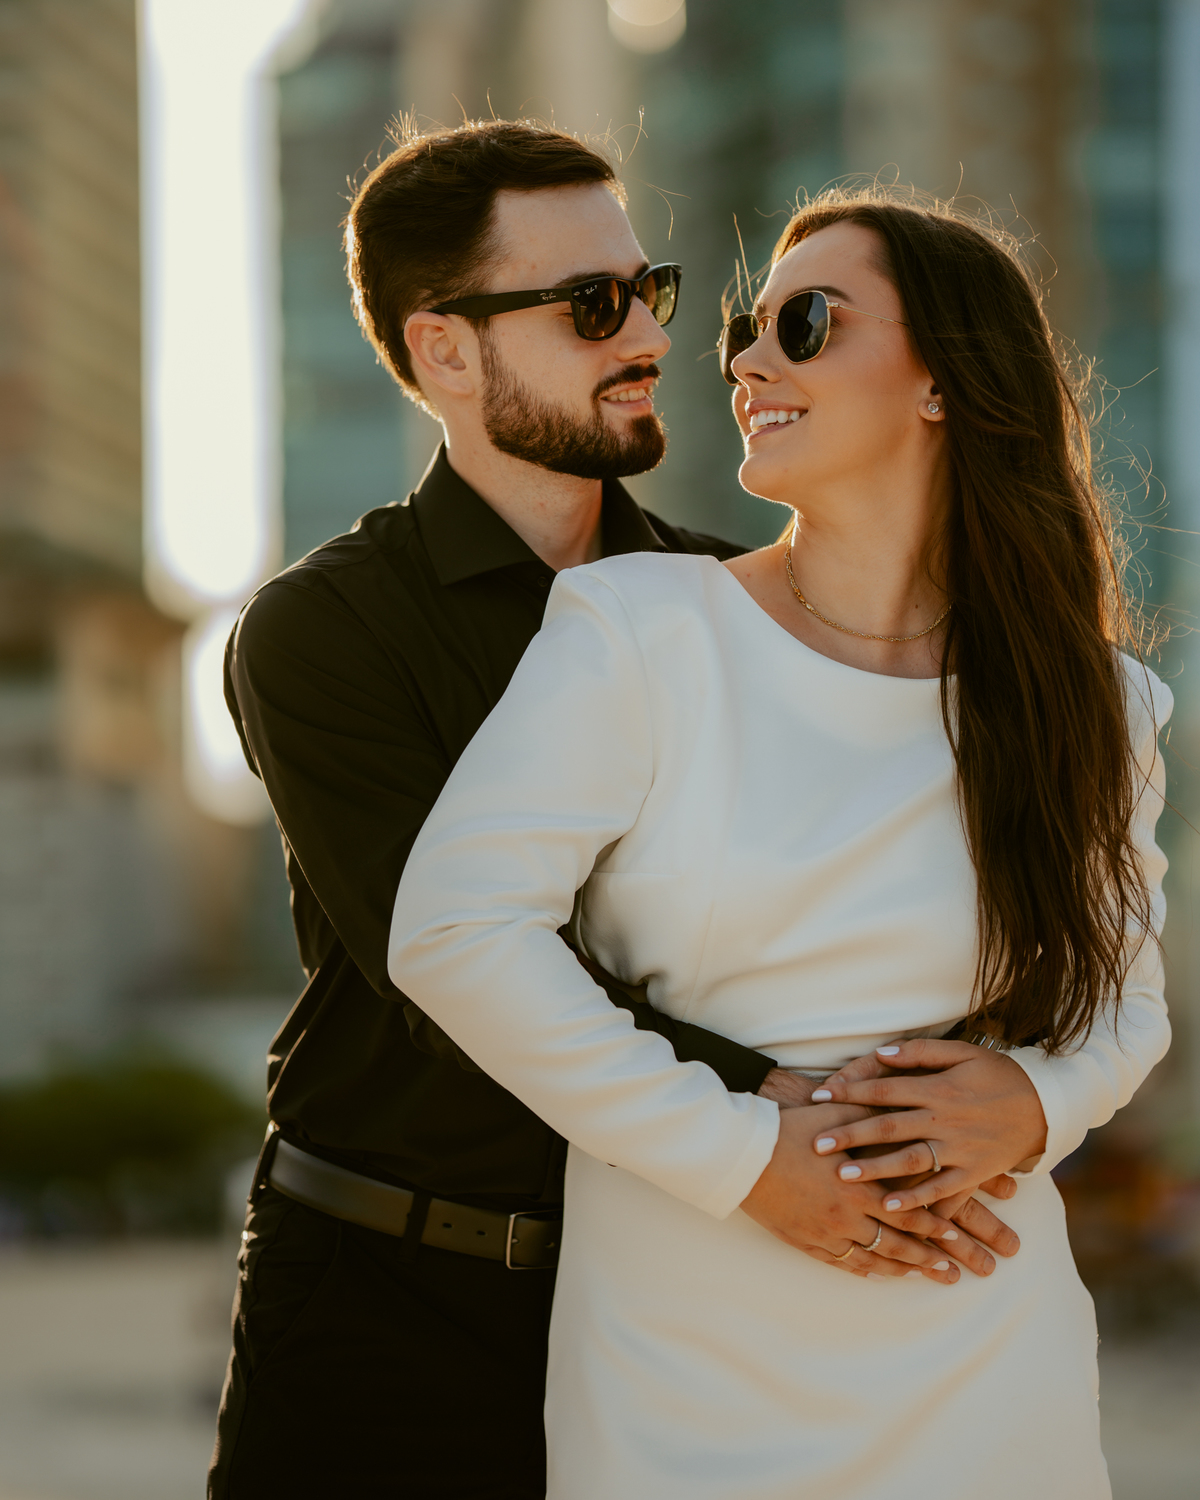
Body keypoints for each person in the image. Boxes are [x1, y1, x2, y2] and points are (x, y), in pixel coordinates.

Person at [209, 125, 1017, 1500]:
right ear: (445, 350)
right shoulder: (320, 631)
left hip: (678, 1289)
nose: (648, 337)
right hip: (384, 1306)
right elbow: (458, 975)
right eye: (592, 306)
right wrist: (791, 1124)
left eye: (651, 291)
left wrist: (1021, 1095)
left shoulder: (736, 602)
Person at [389, 185, 1172, 1500]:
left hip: (985, 1342)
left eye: (805, 323)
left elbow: (1126, 1006)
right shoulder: (639, 629)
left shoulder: (1097, 701)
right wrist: (744, 1159)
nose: (749, 362)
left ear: (944, 380)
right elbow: (455, 931)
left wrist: (1040, 1102)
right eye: (743, 333)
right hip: (686, 1359)